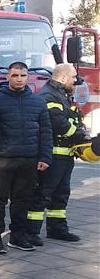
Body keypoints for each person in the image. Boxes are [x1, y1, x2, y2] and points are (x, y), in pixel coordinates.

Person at [0, 61, 52, 253]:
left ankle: (17, 236)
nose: (19, 79)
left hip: (29, 160)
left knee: (22, 200)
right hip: (2, 160)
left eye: (22, 75)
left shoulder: (38, 102)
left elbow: (46, 132)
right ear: (7, 77)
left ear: (27, 77)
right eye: (15, 75)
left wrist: (45, 157)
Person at [27, 63, 88, 244]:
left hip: (65, 154)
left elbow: (71, 118)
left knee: (61, 193)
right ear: (62, 78)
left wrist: (80, 128)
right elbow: (58, 123)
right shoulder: (48, 95)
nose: (76, 80)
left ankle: (57, 228)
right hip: (52, 155)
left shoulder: (62, 94)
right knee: (43, 193)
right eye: (73, 77)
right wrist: (79, 133)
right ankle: (31, 232)